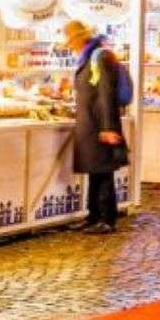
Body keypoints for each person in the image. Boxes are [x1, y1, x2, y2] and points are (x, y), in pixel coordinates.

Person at [64, 20, 130, 234]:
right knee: (95, 170)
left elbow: (105, 92)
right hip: (90, 123)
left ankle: (106, 218)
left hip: (99, 124)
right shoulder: (89, 57)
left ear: (79, 39)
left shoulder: (99, 57)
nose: (70, 46)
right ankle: (93, 215)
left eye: (71, 41)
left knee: (102, 171)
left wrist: (108, 127)